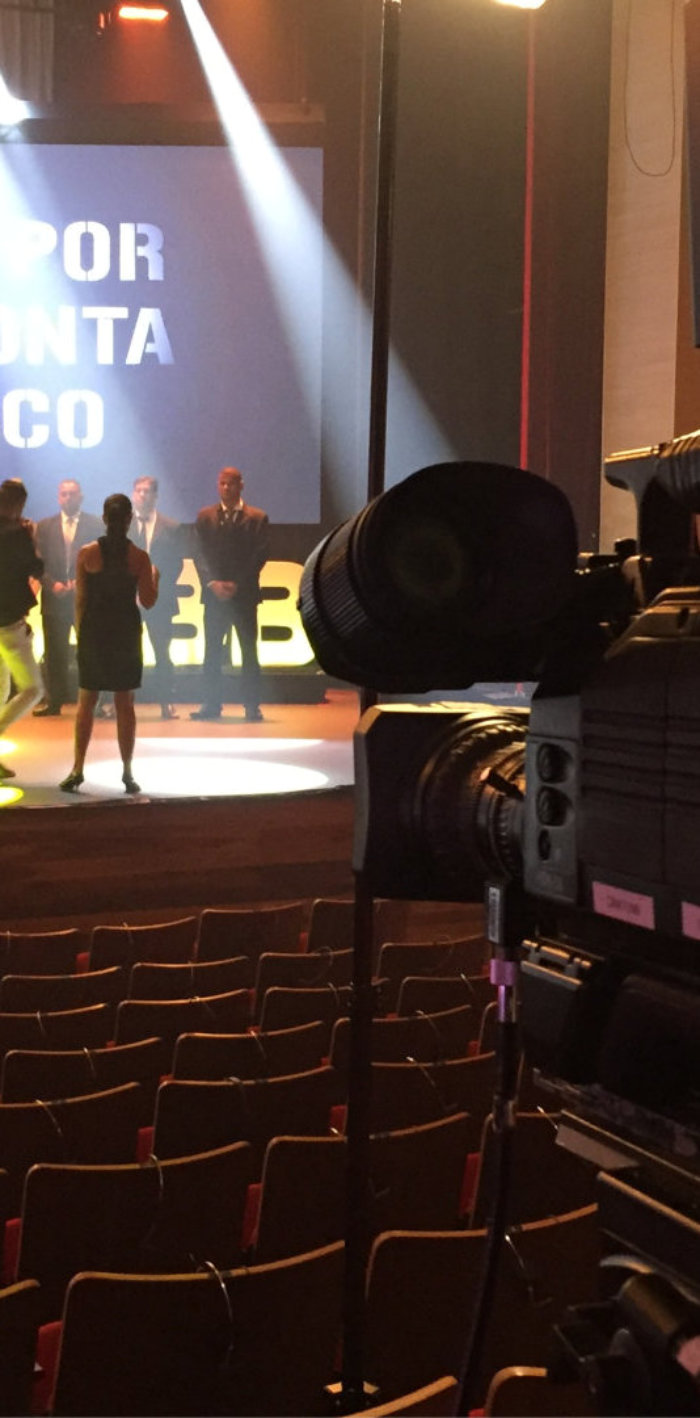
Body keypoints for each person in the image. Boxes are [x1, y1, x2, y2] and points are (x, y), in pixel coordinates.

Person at [59, 494, 159, 796]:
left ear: (104, 518)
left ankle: (77, 769)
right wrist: (156, 577)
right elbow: (149, 601)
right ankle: (127, 772)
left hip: (95, 633)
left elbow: (80, 601)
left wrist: (81, 635)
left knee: (86, 703)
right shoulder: (139, 557)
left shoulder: (87, 553)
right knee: (125, 705)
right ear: (129, 520)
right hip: (125, 634)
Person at [191, 466, 269, 722]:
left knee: (248, 651)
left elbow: (259, 555)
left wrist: (237, 584)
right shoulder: (205, 516)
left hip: (244, 596)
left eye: (231, 483)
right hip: (214, 596)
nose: (226, 488)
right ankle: (211, 704)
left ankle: (252, 705)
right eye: (222, 483)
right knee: (212, 650)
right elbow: (198, 553)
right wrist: (211, 582)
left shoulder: (257, 517)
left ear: (241, 486)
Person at [33, 479, 103, 717]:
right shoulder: (45, 526)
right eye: (64, 494)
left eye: (72, 494)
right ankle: (54, 702)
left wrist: (80, 581)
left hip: (86, 599)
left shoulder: (96, 524)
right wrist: (51, 584)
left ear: (81, 497)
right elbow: (37, 561)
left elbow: (101, 559)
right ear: (58, 497)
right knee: (54, 653)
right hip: (54, 599)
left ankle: (94, 702)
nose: (68, 498)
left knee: (91, 652)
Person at [130, 475, 184, 720]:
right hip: (128, 601)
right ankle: (123, 701)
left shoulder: (171, 526)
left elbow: (176, 564)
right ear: (133, 494)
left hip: (160, 600)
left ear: (156, 496)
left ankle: (166, 701)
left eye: (147, 491)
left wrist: (154, 584)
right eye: (139, 490)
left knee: (163, 652)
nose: (143, 495)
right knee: (128, 653)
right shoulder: (123, 525)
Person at [0, 479, 44, 779]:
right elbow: (36, 568)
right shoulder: (17, 533)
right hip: (9, 622)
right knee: (33, 689)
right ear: (19, 504)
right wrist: (32, 537)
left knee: (2, 688)